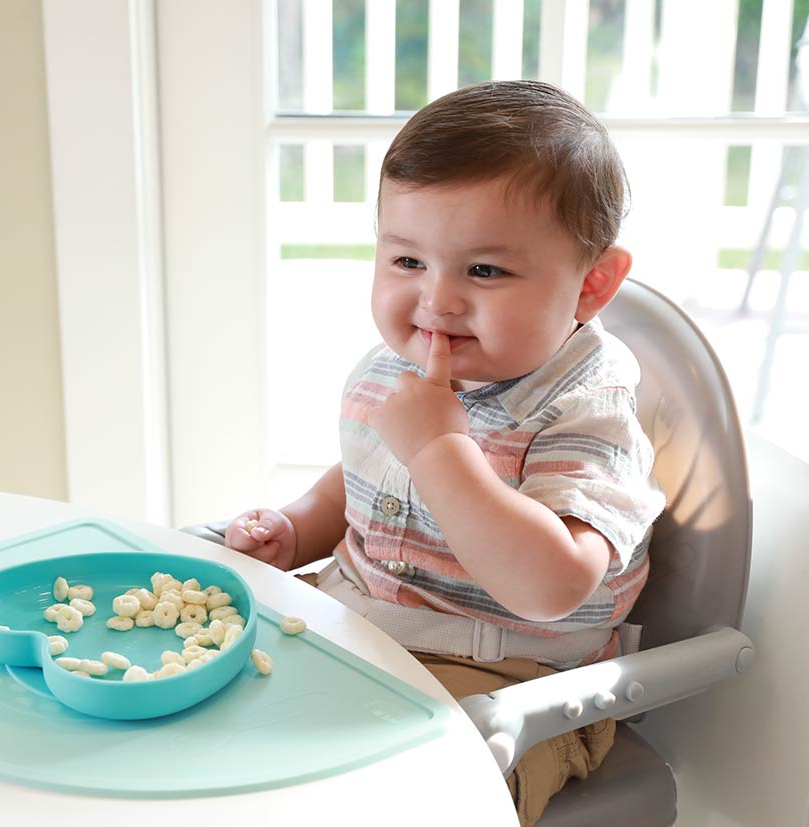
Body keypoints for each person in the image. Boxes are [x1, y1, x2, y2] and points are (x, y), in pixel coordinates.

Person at [224, 80, 665, 825]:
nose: (438, 300)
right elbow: (369, 471)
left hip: (505, 687)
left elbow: (551, 582)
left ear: (592, 283)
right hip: (350, 634)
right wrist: (300, 525)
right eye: (407, 262)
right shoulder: (402, 368)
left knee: (391, 802)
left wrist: (441, 446)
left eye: (484, 270)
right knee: (211, 736)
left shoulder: (586, 413)